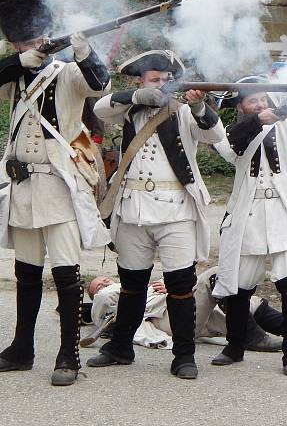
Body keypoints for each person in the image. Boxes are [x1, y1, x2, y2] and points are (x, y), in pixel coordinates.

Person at [87, 50, 225, 379]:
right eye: (154, 80)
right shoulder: (128, 110)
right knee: (133, 284)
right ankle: (121, 346)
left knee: (180, 285)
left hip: (175, 209)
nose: (161, 85)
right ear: (141, 81)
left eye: (165, 80)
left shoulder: (183, 111)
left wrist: (198, 105)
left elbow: (215, 134)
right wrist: (138, 96)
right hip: (133, 207)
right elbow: (99, 108)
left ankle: (183, 355)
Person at [0, 0, 111, 386]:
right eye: (18, 42)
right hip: (23, 186)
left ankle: (69, 355)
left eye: (30, 39)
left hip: (60, 187)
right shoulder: (15, 74)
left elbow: (99, 86)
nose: (25, 46)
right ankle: (21, 348)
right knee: (26, 272)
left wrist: (84, 50)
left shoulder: (67, 73)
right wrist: (18, 61)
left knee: (65, 273)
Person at [212, 76, 287, 376]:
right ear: (241, 106)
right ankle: (234, 346)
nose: (260, 103)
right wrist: (259, 121)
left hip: (283, 217)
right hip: (249, 217)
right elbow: (229, 147)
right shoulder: (233, 132)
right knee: (238, 289)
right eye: (253, 100)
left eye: (263, 98)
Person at [84, 267, 287, 352]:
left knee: (245, 304)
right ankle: (252, 338)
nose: (105, 282)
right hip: (167, 320)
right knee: (216, 277)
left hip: (183, 309)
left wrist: (166, 285)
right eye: (98, 284)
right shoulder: (105, 299)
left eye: (105, 279)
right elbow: (105, 305)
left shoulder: (140, 285)